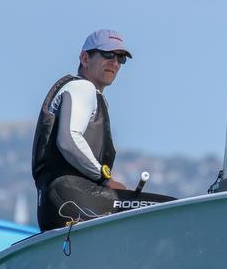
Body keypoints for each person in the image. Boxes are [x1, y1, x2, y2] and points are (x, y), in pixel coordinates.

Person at [32, 29, 172, 231]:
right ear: (84, 58)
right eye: (107, 54)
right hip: (72, 197)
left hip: (54, 205)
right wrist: (105, 179)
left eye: (120, 58)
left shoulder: (85, 92)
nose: (114, 62)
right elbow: (69, 140)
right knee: (169, 209)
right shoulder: (82, 88)